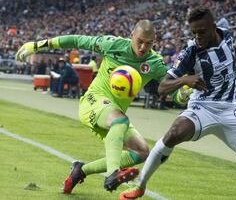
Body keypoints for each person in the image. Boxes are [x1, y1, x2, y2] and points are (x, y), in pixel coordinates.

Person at [120, 8, 236, 200]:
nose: (197, 36)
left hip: (230, 109)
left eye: (201, 31)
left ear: (214, 27)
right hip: (202, 108)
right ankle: (140, 186)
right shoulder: (190, 52)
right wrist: (185, 80)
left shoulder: (227, 36)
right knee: (173, 134)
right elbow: (162, 88)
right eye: (193, 32)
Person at [16, 20, 168, 195]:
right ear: (132, 35)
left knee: (141, 152)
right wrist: (37, 45)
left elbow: (172, 88)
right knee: (120, 120)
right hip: (93, 102)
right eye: (139, 41)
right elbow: (76, 40)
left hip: (113, 116)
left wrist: (183, 94)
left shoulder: (155, 63)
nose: (143, 47)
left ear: (154, 41)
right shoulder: (113, 44)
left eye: (148, 43)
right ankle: (113, 173)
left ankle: (81, 170)